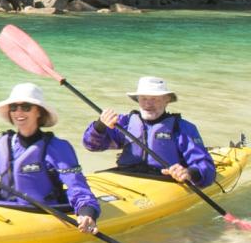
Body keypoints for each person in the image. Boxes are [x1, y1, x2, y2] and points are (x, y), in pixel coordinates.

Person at [0, 83, 100, 233]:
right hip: (3, 208)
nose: (18, 112)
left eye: (26, 107)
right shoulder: (2, 143)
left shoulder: (57, 148)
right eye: (13, 107)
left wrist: (87, 212)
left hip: (41, 213)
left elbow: (76, 184)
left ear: (39, 112)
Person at [82, 76, 216, 187]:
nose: (148, 104)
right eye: (144, 99)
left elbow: (206, 168)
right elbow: (91, 145)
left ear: (167, 100)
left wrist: (189, 173)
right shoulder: (125, 122)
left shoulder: (182, 128)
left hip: (164, 180)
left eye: (154, 99)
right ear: (138, 100)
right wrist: (100, 125)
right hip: (125, 176)